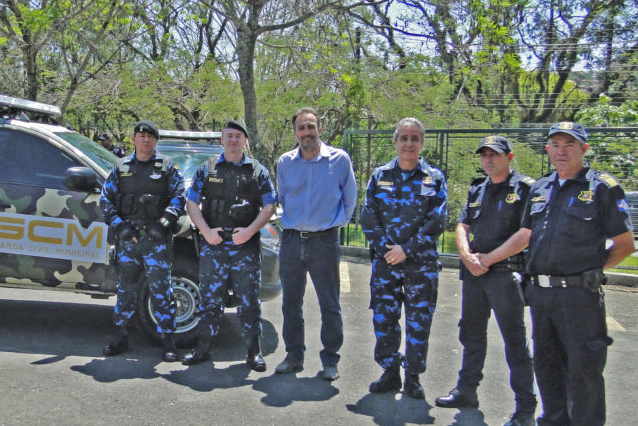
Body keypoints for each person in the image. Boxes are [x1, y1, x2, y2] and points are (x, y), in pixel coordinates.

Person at [490, 122, 634, 426]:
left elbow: (625, 244)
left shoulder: (602, 188)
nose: (561, 150)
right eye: (555, 144)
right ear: (547, 150)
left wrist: (593, 270)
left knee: (584, 370)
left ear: (584, 149)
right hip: (542, 293)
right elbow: (528, 233)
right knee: (547, 365)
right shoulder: (541, 188)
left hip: (579, 296)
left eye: (570, 144)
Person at [434, 136, 537, 426]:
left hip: (505, 273)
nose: (489, 160)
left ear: (509, 157)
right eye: (484, 155)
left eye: (495, 154)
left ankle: (525, 410)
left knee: (515, 342)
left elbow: (526, 234)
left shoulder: (525, 189)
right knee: (471, 334)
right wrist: (466, 255)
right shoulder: (478, 188)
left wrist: (488, 259)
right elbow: (462, 225)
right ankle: (467, 390)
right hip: (475, 273)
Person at [360, 117, 447, 398]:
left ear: (422, 143)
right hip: (386, 264)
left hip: (420, 265)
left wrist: (407, 249)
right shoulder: (380, 175)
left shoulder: (434, 178)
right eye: (404, 138)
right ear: (395, 141)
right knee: (384, 319)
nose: (409, 143)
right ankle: (390, 372)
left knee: (418, 321)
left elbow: (437, 220)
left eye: (415, 138)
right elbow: (368, 215)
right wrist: (387, 249)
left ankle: (413, 376)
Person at [181, 120, 277, 371]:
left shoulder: (257, 171)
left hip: (245, 244)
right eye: (229, 136)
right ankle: (202, 347)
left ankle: (253, 351)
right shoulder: (208, 169)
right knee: (210, 299)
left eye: (238, 136)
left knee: (249, 299)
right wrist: (206, 231)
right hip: (214, 244)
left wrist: (249, 231)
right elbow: (191, 203)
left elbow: (269, 206)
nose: (233, 140)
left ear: (245, 141)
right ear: (222, 140)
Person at [273, 108, 357, 380]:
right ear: (295, 132)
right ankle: (293, 356)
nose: (306, 132)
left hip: (324, 242)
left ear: (320, 129)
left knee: (329, 304)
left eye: (311, 126)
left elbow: (350, 199)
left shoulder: (339, 160)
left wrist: (334, 224)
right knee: (290, 303)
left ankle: (330, 360)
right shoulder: (285, 162)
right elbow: (282, 198)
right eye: (301, 128)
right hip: (291, 240)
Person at [99, 120, 186, 361]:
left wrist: (163, 224)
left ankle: (168, 340)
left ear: (156, 140)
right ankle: (122, 335)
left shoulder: (167, 167)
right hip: (128, 239)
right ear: (134, 139)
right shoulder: (121, 167)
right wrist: (120, 225)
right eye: (141, 135)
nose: (146, 139)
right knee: (125, 289)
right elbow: (105, 200)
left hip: (155, 239)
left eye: (150, 136)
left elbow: (179, 197)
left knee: (161, 290)